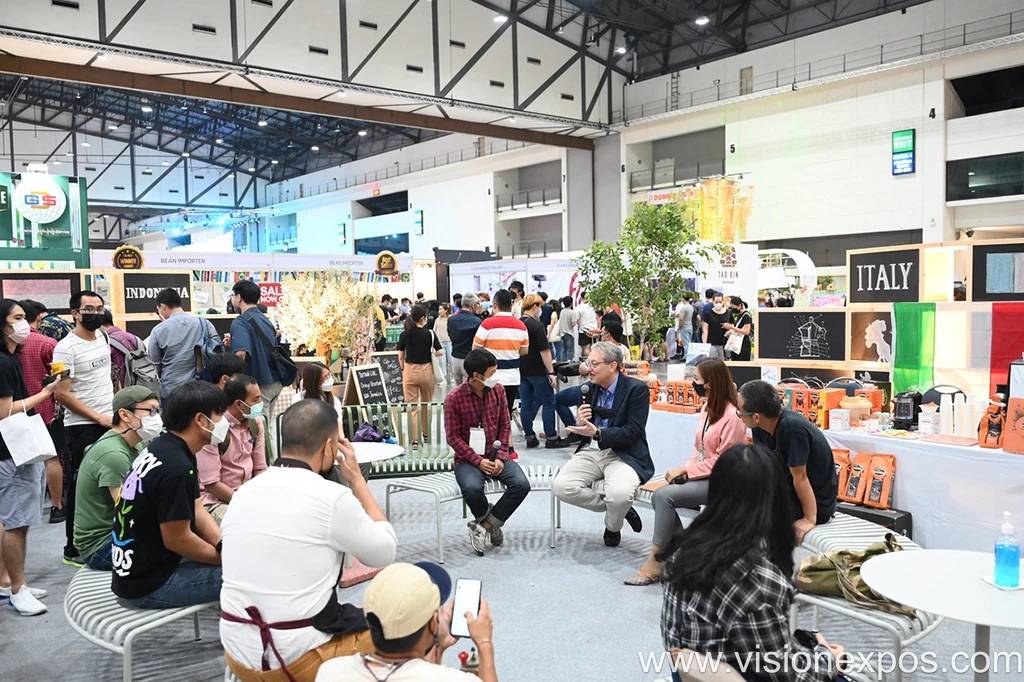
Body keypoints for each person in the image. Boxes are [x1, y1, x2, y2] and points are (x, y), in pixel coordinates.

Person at [220, 399, 398, 681]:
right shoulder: (331, 497)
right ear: (329, 447)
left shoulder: (244, 492)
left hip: (237, 653)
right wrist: (358, 482)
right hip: (294, 660)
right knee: (411, 625)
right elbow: (384, 551)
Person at [660, 444, 843, 681]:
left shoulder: (683, 548)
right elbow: (785, 673)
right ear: (776, 498)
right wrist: (828, 658)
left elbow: (673, 639)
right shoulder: (758, 581)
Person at [625, 359, 746, 585]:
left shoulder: (733, 417)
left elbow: (724, 461)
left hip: (724, 481)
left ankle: (656, 560)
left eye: (696, 379)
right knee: (660, 496)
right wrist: (685, 471)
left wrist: (687, 470)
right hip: (703, 475)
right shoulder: (707, 408)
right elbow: (698, 449)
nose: (693, 383)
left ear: (709, 383)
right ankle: (683, 551)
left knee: (663, 496)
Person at [111, 381, 227, 608]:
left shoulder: (166, 447)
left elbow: (197, 508)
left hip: (137, 572)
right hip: (149, 584)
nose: (224, 422)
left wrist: (222, 546)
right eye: (220, 415)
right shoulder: (176, 468)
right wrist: (226, 560)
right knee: (253, 574)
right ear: (201, 420)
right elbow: (178, 540)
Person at [0, 299, 69, 615]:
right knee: (17, 522)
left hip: (12, 452)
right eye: (17, 318)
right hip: (11, 452)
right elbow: (4, 410)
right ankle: (18, 588)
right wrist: (46, 393)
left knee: (11, 521)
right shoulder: (4, 363)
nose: (25, 324)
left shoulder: (11, 358)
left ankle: (8, 583)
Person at [316, 562, 496, 682]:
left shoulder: (330, 672)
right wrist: (484, 644)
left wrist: (438, 647)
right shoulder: (455, 680)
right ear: (433, 624)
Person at [551, 342, 653, 547]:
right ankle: (620, 509)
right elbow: (582, 423)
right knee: (561, 486)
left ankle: (613, 526)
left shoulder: (636, 389)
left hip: (624, 455)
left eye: (594, 364)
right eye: (588, 363)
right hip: (591, 451)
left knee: (620, 495)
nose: (588, 368)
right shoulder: (588, 389)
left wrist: (598, 433)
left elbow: (632, 432)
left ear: (612, 365)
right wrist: (580, 422)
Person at [444, 349, 530, 556]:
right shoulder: (454, 398)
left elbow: (505, 425)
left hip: (496, 453)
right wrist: (478, 461)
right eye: (491, 373)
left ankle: (485, 525)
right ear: (476, 376)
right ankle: (490, 521)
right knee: (472, 488)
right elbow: (453, 437)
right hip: (467, 459)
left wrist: (500, 458)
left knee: (521, 485)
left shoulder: (498, 390)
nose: (496, 377)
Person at [53, 289, 115, 567]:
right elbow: (61, 393)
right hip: (82, 427)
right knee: (81, 488)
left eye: (99, 308)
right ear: (75, 313)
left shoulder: (102, 336)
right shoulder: (64, 348)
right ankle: (73, 547)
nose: (95, 313)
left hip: (109, 420)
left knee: (106, 485)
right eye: (88, 309)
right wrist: (98, 417)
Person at [737, 381, 838, 543]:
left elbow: (801, 477)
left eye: (740, 413)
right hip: (788, 489)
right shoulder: (759, 428)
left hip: (817, 501)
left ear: (756, 417)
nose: (740, 417)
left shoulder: (792, 427)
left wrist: (809, 519)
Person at [73, 386, 161, 571]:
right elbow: (129, 510)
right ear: (125, 415)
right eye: (150, 411)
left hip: (116, 532)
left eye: (157, 411)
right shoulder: (114, 454)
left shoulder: (135, 444)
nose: (156, 418)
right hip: (100, 545)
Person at [15, 300, 64, 524]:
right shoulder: (48, 343)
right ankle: (57, 506)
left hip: (13, 414)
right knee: (51, 458)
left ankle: (19, 509)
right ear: (39, 318)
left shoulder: (9, 347)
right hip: (45, 411)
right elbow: (60, 377)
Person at [196, 375, 266, 523]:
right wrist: (245, 503)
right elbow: (211, 484)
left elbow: (260, 468)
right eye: (256, 400)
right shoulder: (214, 429)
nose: (260, 404)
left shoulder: (255, 423)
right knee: (245, 525)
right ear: (239, 404)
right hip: (215, 501)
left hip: (247, 496)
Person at [230, 279, 286, 450]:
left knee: (260, 430)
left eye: (232, 295)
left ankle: (267, 463)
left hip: (259, 386)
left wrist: (233, 380)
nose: (232, 299)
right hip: (275, 381)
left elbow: (241, 353)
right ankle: (271, 460)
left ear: (239, 297)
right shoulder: (264, 319)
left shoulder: (241, 321)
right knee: (267, 427)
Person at [149, 287, 222, 401]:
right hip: (201, 389)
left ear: (163, 307)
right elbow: (218, 349)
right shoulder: (204, 323)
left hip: (171, 391)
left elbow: (154, 366)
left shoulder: (158, 330)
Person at [472, 289, 528, 420]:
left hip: (490, 378)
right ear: (511, 305)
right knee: (506, 415)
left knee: (489, 415)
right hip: (512, 377)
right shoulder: (521, 325)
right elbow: (524, 351)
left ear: (495, 305)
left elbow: (475, 349)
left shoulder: (487, 324)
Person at [397, 304, 443, 444]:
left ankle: (415, 440)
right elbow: (440, 352)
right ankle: (426, 435)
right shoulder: (430, 333)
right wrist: (431, 353)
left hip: (410, 371)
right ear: (423, 318)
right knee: (426, 405)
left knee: (412, 408)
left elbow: (400, 356)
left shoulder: (404, 334)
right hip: (427, 371)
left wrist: (403, 368)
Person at [518, 294, 559, 448]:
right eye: (540, 306)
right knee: (549, 402)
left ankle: (530, 437)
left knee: (526, 404)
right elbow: (545, 351)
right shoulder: (537, 326)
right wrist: (551, 372)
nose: (541, 309)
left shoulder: (517, 324)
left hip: (521, 370)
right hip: (538, 371)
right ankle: (551, 437)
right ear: (534, 306)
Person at [448, 293, 483, 386]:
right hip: (470, 358)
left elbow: (450, 335)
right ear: (473, 305)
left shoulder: (451, 319)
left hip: (455, 357)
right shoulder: (476, 321)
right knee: (472, 388)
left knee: (458, 388)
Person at [701, 292, 730, 361]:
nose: (718, 304)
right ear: (713, 302)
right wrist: (704, 345)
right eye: (716, 302)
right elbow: (705, 330)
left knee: (723, 363)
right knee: (713, 362)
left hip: (725, 344)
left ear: (723, 301)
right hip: (712, 343)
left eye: (720, 302)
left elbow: (732, 326)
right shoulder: (708, 314)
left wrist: (729, 330)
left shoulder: (728, 313)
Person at [723, 297, 753, 361]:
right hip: (736, 345)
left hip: (743, 345)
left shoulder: (746, 316)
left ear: (739, 305)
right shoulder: (739, 315)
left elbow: (746, 331)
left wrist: (732, 328)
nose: (732, 309)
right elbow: (738, 328)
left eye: (733, 307)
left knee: (742, 364)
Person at [575, 294, 597, 359]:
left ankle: (587, 361)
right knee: (592, 347)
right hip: (594, 329)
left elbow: (577, 320)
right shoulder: (594, 306)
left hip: (583, 330)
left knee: (585, 347)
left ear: (581, 298)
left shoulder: (579, 307)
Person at [435, 303, 453, 384]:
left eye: (441, 309)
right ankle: (443, 379)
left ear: (446, 310)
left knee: (451, 360)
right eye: (439, 309)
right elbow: (434, 330)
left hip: (449, 341)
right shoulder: (437, 320)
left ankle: (452, 376)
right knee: (441, 362)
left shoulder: (450, 319)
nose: (439, 311)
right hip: (440, 342)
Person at [557, 296, 577, 361]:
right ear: (571, 303)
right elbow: (573, 324)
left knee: (563, 351)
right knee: (570, 351)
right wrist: (576, 321)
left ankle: (563, 364)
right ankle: (569, 365)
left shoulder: (562, 311)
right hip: (569, 333)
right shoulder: (572, 312)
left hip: (562, 333)